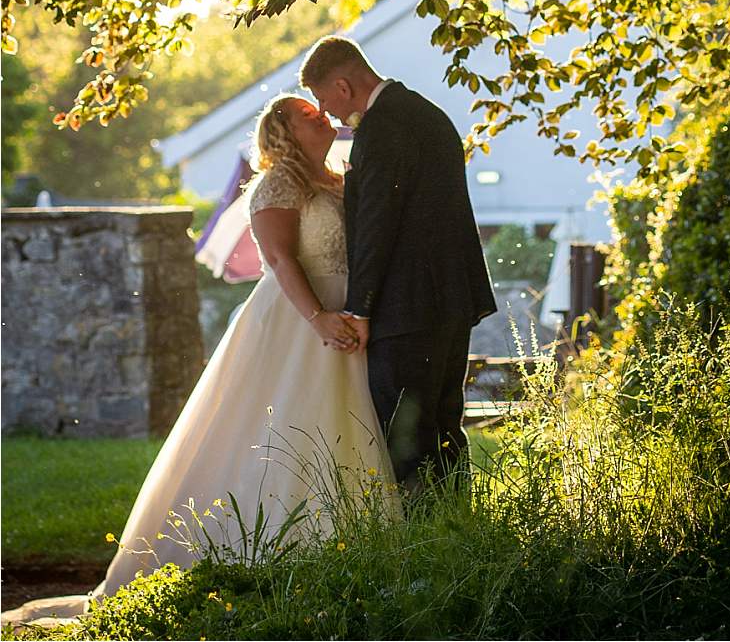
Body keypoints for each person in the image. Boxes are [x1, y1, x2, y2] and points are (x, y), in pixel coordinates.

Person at [94, 94, 395, 599]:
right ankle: (260, 556)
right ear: (284, 132)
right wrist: (319, 317)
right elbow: (279, 260)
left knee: (350, 426)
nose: (323, 115)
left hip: (351, 316)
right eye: (308, 114)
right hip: (299, 318)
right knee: (289, 427)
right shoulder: (278, 184)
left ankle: (352, 551)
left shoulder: (341, 180)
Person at [300, 37, 497, 496]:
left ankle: (424, 541)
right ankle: (455, 526)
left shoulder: (381, 129)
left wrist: (361, 309)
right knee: (447, 424)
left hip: (406, 309)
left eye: (325, 100)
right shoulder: (428, 114)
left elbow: (375, 225)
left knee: (407, 434)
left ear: (344, 86)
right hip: (452, 298)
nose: (327, 113)